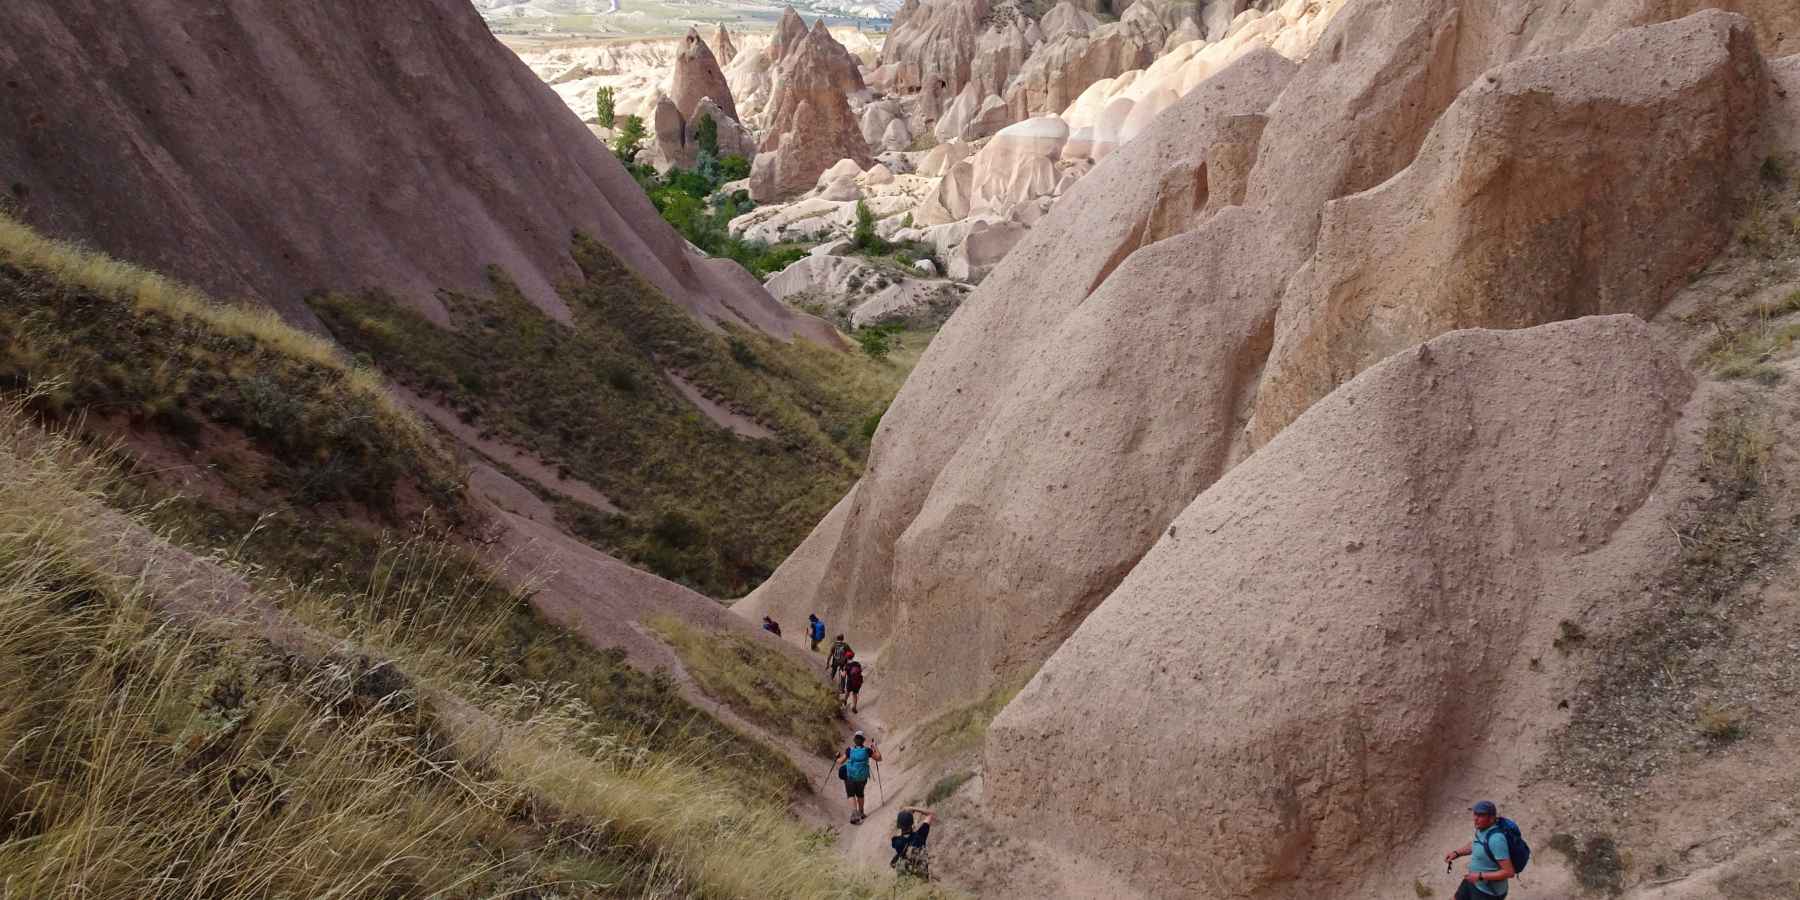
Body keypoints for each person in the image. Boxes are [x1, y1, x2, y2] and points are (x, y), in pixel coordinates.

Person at [1445, 801, 1516, 898]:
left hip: (1488, 892)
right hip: (1473, 881)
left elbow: (1509, 872)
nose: (1475, 818)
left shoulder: (1497, 840)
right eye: (1475, 814)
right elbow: (1477, 844)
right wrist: (1457, 853)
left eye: (1481, 815)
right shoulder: (1482, 828)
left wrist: (1480, 876)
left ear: (1491, 818)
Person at [834, 731, 882, 824]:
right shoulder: (867, 750)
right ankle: (861, 812)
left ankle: (855, 814)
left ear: (854, 740)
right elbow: (879, 758)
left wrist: (837, 757)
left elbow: (840, 761)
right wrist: (875, 747)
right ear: (863, 740)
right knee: (860, 793)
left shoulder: (849, 750)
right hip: (862, 777)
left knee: (851, 794)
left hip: (850, 776)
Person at [890, 806, 935, 880]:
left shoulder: (897, 842)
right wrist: (913, 809)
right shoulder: (920, 835)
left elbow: (899, 834)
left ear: (899, 826)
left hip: (908, 881)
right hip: (922, 877)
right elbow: (930, 814)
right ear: (911, 823)